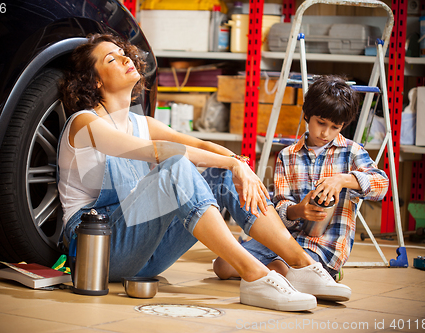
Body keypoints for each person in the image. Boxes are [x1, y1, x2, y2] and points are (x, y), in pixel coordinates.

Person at [58, 34, 351, 312]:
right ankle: (254, 275)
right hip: (97, 254)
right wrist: (233, 164)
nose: (125, 59)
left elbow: (202, 144)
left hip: (144, 258)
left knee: (219, 172)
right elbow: (157, 151)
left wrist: (239, 165)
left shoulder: (141, 122)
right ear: (95, 81)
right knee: (175, 165)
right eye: (112, 59)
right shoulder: (84, 123)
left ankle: (300, 264)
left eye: (124, 54)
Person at [213, 75, 389, 285]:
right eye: (321, 123)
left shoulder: (352, 152)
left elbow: (382, 185)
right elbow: (279, 205)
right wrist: (298, 210)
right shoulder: (287, 156)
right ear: (307, 115)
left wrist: (342, 180)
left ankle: (322, 271)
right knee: (222, 266)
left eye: (335, 127)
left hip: (324, 246)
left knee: (278, 269)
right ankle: (295, 273)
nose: (326, 133)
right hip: (284, 240)